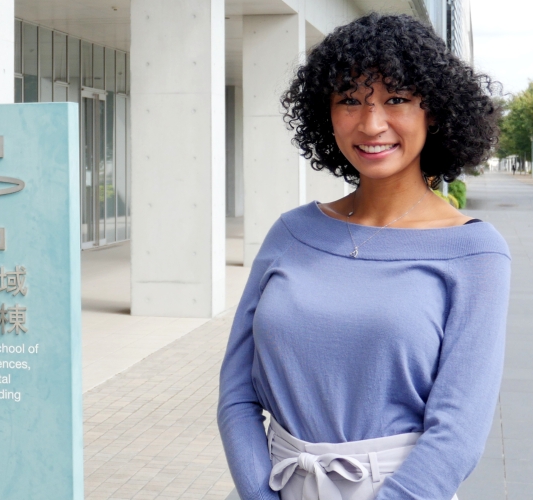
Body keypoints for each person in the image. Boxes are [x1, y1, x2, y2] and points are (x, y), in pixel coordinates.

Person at [216, 13, 510, 500]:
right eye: (349, 101)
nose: (372, 124)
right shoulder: (290, 233)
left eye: (396, 99)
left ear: (432, 111)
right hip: (275, 486)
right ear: (325, 114)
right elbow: (236, 393)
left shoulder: (475, 252)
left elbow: (458, 433)